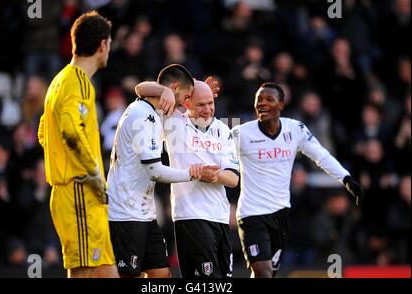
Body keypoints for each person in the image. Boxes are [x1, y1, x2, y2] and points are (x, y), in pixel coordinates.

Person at [231, 82, 363, 278]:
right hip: (251, 215)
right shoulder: (240, 133)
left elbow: (321, 156)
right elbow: (217, 158)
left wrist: (346, 178)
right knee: (263, 273)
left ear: (281, 105)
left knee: (269, 274)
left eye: (269, 99)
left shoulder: (295, 129)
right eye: (259, 99)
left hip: (281, 213)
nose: (262, 104)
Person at [37, 11, 120, 278]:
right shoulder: (79, 84)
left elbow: (43, 132)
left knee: (107, 270)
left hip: (83, 194)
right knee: (83, 272)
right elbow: (71, 131)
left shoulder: (59, 81)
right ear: (103, 45)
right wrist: (94, 173)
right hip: (80, 190)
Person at [107, 64, 205, 278]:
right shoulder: (144, 117)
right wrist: (193, 173)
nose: (183, 105)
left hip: (144, 214)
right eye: (185, 97)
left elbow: (140, 88)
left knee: (161, 274)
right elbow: (155, 171)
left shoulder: (149, 109)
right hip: (125, 213)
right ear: (174, 87)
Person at [136, 80, 239, 278]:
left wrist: (211, 175)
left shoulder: (223, 130)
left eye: (211, 103)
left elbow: (233, 178)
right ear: (187, 102)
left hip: (220, 217)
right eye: (201, 104)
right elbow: (140, 89)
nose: (208, 109)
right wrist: (165, 90)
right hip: (190, 217)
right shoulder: (174, 122)